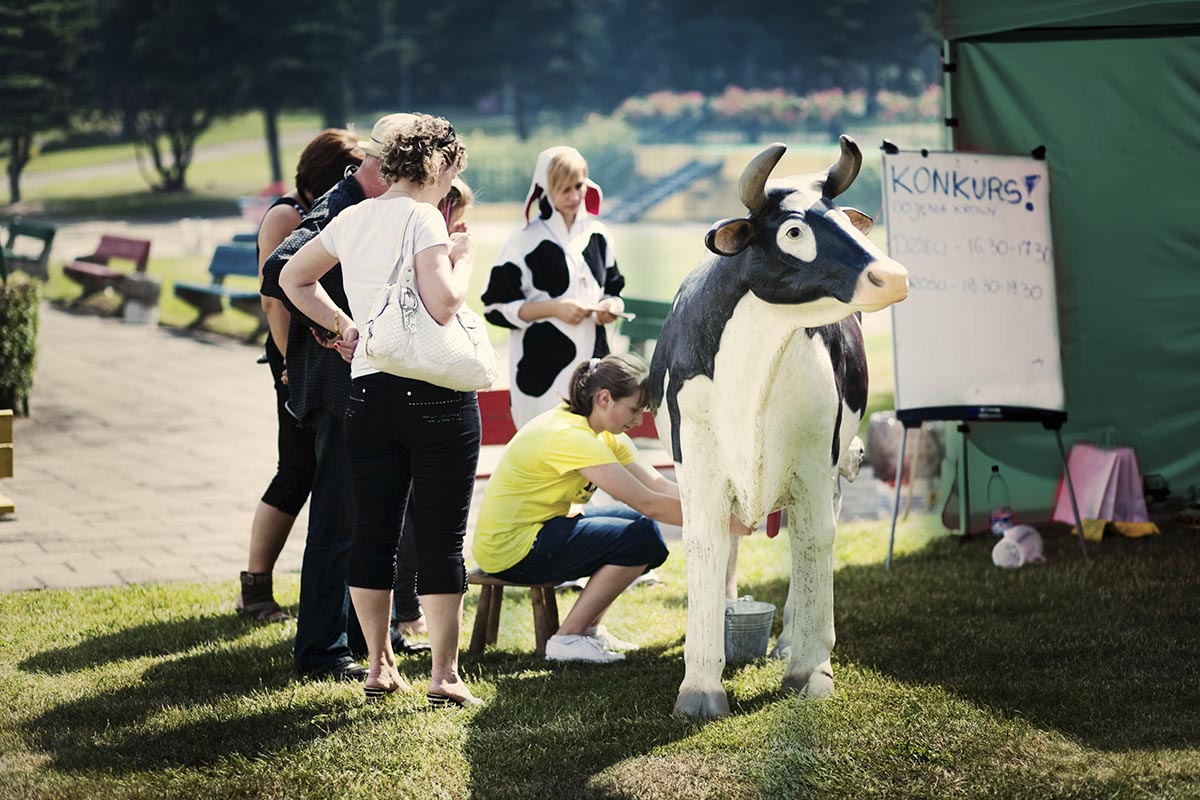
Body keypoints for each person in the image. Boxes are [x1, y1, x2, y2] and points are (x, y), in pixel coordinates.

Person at [280, 114, 483, 707]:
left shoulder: (353, 217)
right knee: (441, 538)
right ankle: (444, 675)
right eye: (452, 174)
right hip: (436, 395)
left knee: (372, 533)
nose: (450, 187)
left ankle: (377, 666)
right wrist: (464, 257)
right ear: (438, 166)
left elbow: (293, 278)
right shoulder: (424, 216)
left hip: (368, 394)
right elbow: (443, 303)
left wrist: (346, 328)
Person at [259, 113, 415, 682]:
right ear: (388, 168)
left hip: (369, 387)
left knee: (368, 520)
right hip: (340, 388)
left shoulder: (372, 203)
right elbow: (279, 271)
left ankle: (365, 638)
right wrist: (338, 326)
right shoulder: (341, 204)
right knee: (336, 523)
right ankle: (322, 652)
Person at [472, 354, 752, 663]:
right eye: (633, 409)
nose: (638, 420)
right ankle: (567, 639)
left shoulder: (601, 431)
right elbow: (649, 503)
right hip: (512, 549)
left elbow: (657, 486)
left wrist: (720, 506)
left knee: (640, 528)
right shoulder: (571, 436)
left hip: (539, 530)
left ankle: (587, 631)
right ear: (604, 398)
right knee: (640, 539)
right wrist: (722, 521)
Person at [237, 129, 363, 623]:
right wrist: (291, 364)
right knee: (295, 470)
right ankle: (255, 590)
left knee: (314, 470)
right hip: (295, 359)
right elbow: (274, 300)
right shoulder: (287, 216)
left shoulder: (322, 212)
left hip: (320, 354)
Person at [481, 145, 626, 430]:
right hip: (541, 373)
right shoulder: (522, 241)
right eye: (564, 189)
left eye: (578, 186)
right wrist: (553, 309)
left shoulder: (598, 235)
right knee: (548, 443)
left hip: (593, 367)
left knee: (593, 443)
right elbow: (494, 308)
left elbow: (614, 289)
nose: (574, 196)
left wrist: (611, 307)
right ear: (545, 189)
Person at [389, 176, 475, 646]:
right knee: (414, 513)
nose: (459, 222)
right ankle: (405, 608)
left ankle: (406, 607)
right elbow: (445, 305)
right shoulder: (426, 237)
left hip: (411, 377)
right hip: (420, 380)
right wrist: (462, 258)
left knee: (412, 510)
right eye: (454, 212)